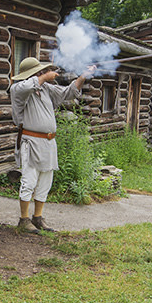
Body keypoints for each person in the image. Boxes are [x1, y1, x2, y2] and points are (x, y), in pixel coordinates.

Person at [10, 57, 96, 233]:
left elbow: (68, 93)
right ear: (33, 74)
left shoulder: (46, 88)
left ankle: (38, 218)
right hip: (30, 141)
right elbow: (26, 86)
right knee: (28, 182)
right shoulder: (18, 89)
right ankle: (24, 219)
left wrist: (82, 77)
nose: (44, 74)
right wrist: (45, 76)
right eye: (41, 72)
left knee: (45, 182)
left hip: (48, 142)